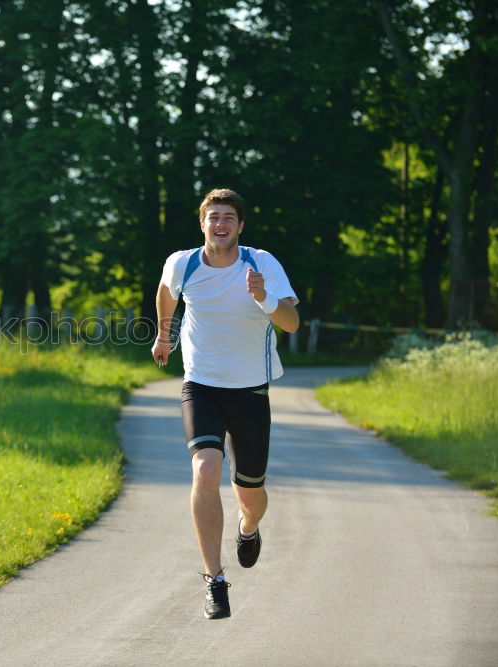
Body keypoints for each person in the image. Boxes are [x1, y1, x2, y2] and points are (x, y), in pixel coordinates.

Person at [151, 188, 299, 619]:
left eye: (229, 217)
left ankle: (248, 528)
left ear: (240, 225)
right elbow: (166, 292)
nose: (221, 224)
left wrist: (264, 297)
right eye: (213, 216)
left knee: (250, 497)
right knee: (206, 468)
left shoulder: (262, 264)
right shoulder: (184, 263)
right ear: (203, 224)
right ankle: (215, 581)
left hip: (251, 390)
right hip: (201, 385)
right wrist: (164, 334)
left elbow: (290, 322)